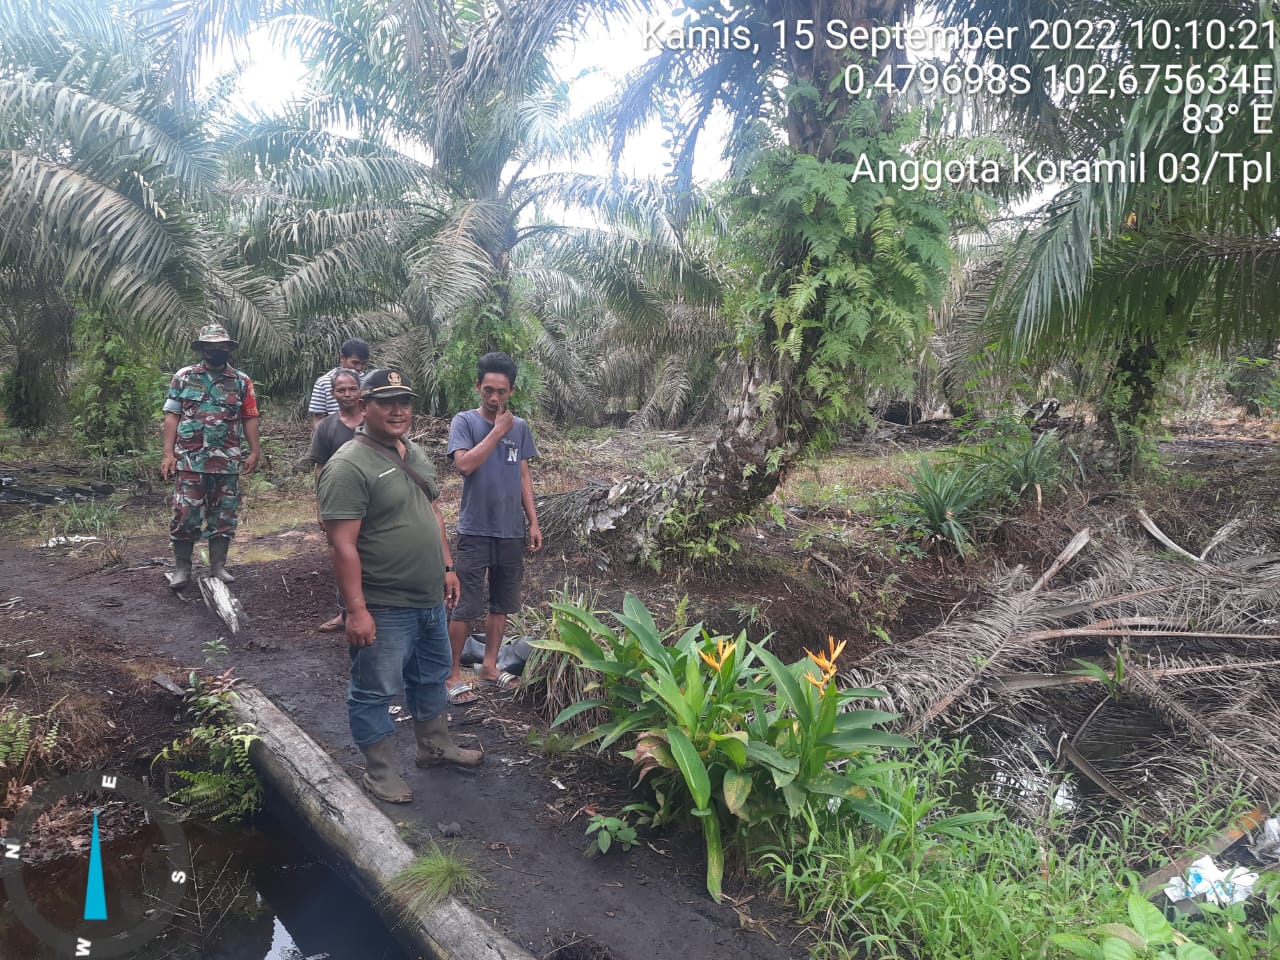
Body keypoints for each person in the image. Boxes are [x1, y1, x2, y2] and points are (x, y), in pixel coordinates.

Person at [317, 368, 482, 804]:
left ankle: (434, 746)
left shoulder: (414, 451)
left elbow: (432, 512)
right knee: (374, 689)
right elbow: (341, 545)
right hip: (384, 603)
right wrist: (356, 610)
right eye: (386, 402)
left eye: (404, 402)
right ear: (363, 406)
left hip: (429, 597)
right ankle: (380, 771)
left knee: (431, 676)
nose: (398, 411)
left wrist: (447, 565)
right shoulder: (347, 466)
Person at [444, 352, 542, 706]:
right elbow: (465, 465)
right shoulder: (465, 422)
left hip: (510, 530)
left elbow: (523, 474)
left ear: (511, 391)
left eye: (501, 391)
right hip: (476, 529)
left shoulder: (521, 427)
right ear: (478, 387)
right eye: (488, 390)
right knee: (465, 606)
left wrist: (532, 521)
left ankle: (489, 667)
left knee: (502, 603)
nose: (494, 397)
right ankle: (451, 675)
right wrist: (498, 430)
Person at [160, 324, 261, 589]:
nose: (215, 350)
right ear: (202, 348)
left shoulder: (241, 381)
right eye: (210, 346)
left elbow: (250, 416)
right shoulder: (184, 377)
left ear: (228, 348)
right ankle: (182, 569)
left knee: (224, 516)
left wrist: (254, 451)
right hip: (190, 460)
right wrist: (168, 454)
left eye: (220, 346)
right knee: (185, 515)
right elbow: (172, 415)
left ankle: (218, 567)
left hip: (227, 460)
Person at [309, 368, 363, 632]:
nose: (348, 394)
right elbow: (320, 467)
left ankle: (376, 610)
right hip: (339, 502)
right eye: (341, 390)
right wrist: (320, 506)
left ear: (361, 390)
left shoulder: (372, 421)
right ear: (333, 394)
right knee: (342, 553)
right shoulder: (326, 427)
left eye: (352, 388)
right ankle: (346, 612)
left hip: (374, 499)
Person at [309, 338, 370, 426]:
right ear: (342, 357)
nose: (359, 368)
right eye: (355, 363)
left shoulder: (368, 382)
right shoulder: (324, 382)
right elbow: (318, 418)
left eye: (363, 364)